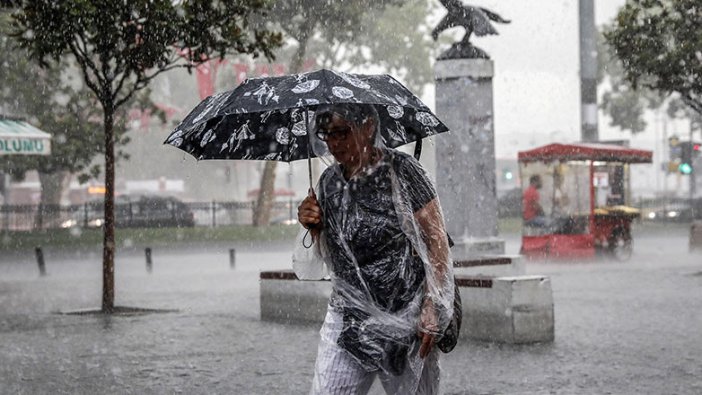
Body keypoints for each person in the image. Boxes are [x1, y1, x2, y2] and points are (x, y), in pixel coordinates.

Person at [297, 103, 454, 394]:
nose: (333, 143)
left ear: (368, 127)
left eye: (342, 132)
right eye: (326, 134)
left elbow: (436, 241)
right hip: (349, 322)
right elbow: (332, 255)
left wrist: (433, 306)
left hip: (406, 322)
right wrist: (313, 225)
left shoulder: (403, 173)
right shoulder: (329, 182)